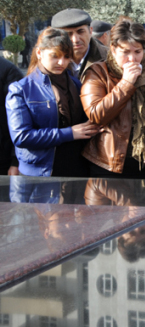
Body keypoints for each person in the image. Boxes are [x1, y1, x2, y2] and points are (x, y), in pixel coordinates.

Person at [6, 28, 99, 203]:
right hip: (41, 176)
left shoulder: (76, 84)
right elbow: (21, 136)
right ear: (39, 53)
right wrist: (69, 133)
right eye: (55, 55)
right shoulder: (21, 89)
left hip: (77, 170)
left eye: (66, 56)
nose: (61, 62)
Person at [80, 19, 145, 179]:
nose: (132, 59)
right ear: (113, 49)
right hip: (108, 164)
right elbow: (96, 115)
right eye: (125, 52)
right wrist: (126, 83)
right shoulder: (98, 72)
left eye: (137, 52)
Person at [51, 9, 108, 80]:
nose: (76, 40)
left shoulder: (109, 58)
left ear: (90, 31)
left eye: (80, 32)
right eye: (68, 34)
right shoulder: (48, 62)